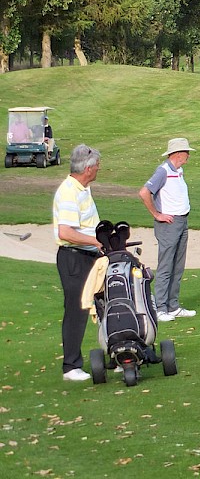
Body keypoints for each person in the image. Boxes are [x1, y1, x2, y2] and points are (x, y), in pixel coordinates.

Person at [52, 144, 104, 381]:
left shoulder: (83, 187)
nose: (99, 169)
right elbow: (65, 232)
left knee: (102, 302)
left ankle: (114, 351)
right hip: (73, 257)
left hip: (88, 255)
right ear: (88, 168)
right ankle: (71, 366)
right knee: (77, 309)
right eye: (97, 165)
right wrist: (94, 240)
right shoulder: (69, 192)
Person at [139, 138, 197, 322]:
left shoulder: (179, 170)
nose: (188, 156)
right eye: (186, 152)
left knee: (178, 266)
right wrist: (157, 214)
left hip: (182, 221)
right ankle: (160, 308)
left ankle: (173, 306)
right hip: (169, 224)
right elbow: (144, 192)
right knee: (166, 266)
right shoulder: (163, 171)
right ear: (178, 154)